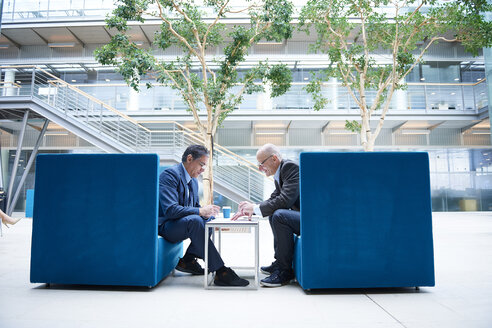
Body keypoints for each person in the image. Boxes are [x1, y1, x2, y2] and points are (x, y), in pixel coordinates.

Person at [158, 144, 249, 287]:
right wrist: (200, 212)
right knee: (195, 220)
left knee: (209, 221)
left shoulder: (193, 180)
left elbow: (193, 208)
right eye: (201, 164)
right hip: (166, 225)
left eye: (205, 166)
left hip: (180, 224)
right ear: (189, 158)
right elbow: (171, 210)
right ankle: (220, 271)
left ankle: (187, 261)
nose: (203, 169)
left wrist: (206, 212)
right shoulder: (169, 175)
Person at [232, 143, 300, 287]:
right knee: (274, 213)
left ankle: (285, 271)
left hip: (314, 219)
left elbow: (285, 200)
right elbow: (274, 199)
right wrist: (251, 208)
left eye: (261, 163)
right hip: (304, 216)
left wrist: (255, 208)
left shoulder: (289, 168)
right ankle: (279, 263)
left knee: (280, 215)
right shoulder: (281, 172)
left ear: (274, 159)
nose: (259, 168)